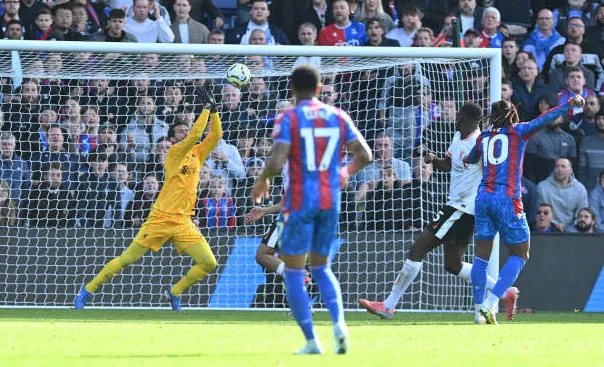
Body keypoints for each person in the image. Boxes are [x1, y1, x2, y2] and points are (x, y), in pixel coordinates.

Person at [251, 65, 372, 355]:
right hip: (330, 199)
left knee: (294, 272)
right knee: (321, 267)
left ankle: (311, 341)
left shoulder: (289, 117)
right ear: (319, 89)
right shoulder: (339, 116)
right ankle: (339, 325)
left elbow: (278, 159)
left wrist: (262, 180)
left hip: (299, 200)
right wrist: (344, 173)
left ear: (292, 89)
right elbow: (365, 155)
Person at [359, 103, 515, 322]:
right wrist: (433, 160)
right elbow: (448, 165)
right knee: (453, 265)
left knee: (417, 248)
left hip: (462, 209)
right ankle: (504, 290)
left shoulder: (480, 143)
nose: (455, 117)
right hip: (460, 210)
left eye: (459, 114)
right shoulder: (458, 137)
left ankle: (388, 305)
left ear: (465, 117)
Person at [74, 87, 222, 311]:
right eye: (181, 131)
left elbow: (216, 135)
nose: (186, 132)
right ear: (173, 138)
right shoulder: (174, 154)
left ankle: (174, 292)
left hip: (183, 222)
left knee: (209, 263)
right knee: (127, 259)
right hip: (160, 218)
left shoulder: (198, 154)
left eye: (186, 129)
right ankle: (87, 290)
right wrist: (205, 110)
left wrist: (214, 112)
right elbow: (195, 135)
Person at [465, 94, 585, 324]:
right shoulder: (518, 131)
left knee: (481, 257)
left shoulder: (484, 137)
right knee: (520, 254)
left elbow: (471, 159)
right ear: (511, 115)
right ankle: (489, 306)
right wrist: (568, 104)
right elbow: (545, 118)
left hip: (483, 198)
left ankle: (478, 311)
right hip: (506, 198)